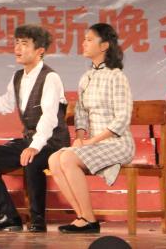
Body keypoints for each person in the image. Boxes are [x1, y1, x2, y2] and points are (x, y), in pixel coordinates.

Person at [0, 24, 69, 233]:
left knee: (31, 159)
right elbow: (4, 106)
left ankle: (37, 220)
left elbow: (49, 117)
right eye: (16, 43)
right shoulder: (18, 77)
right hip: (30, 141)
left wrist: (34, 147)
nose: (18, 48)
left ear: (40, 50)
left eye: (24, 44)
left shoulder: (50, 78)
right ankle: (8, 217)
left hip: (53, 142)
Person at [48, 22, 135, 234]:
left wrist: (90, 142)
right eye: (84, 39)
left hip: (118, 144)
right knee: (54, 159)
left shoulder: (116, 76)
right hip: (95, 144)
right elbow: (81, 112)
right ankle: (83, 216)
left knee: (68, 158)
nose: (84, 43)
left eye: (89, 40)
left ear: (104, 46)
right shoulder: (86, 77)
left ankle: (88, 218)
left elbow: (122, 118)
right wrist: (80, 137)